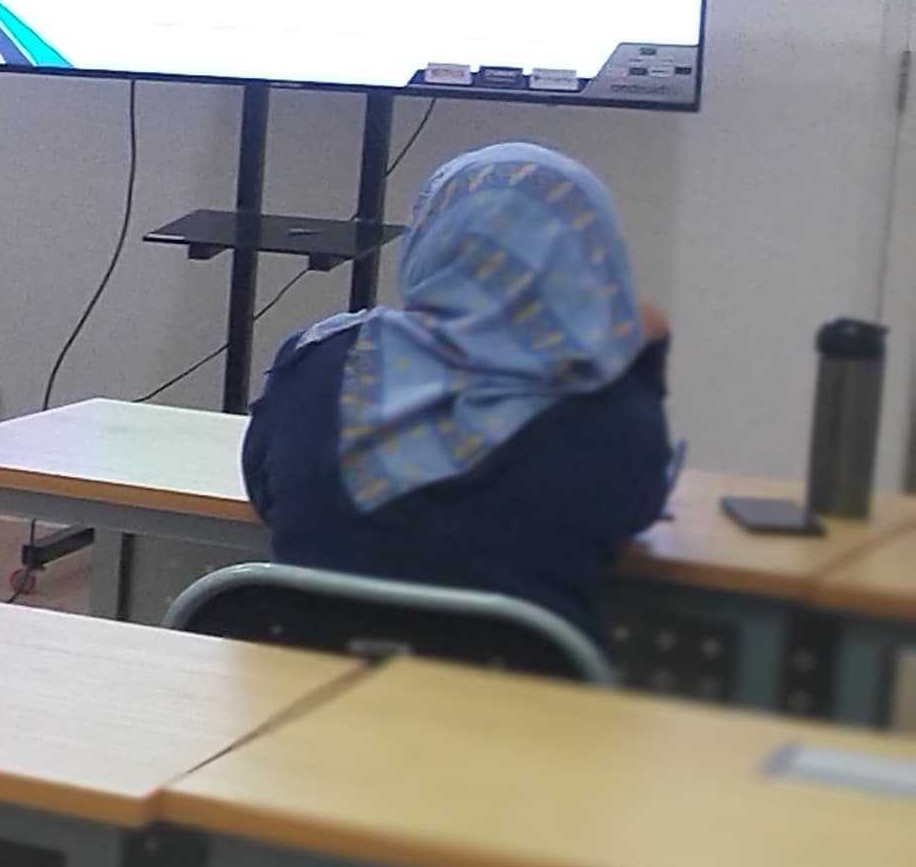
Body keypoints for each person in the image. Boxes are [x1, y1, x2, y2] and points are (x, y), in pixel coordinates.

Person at [242, 142, 674, 647]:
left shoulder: (318, 360)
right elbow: (635, 512)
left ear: (431, 234)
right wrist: (642, 360)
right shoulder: (612, 405)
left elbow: (264, 489)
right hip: (517, 716)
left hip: (304, 707)